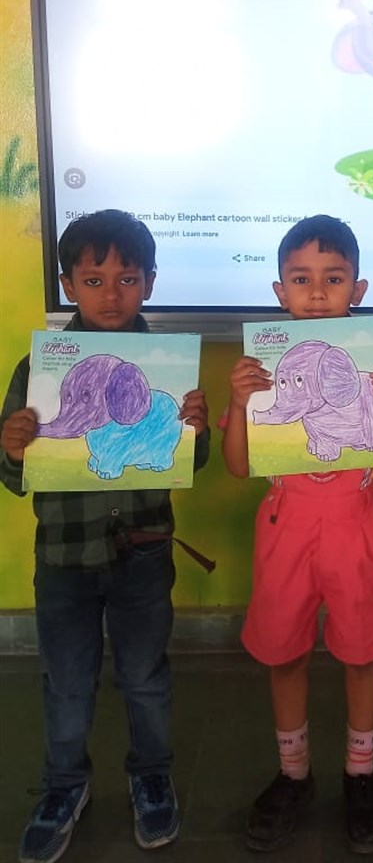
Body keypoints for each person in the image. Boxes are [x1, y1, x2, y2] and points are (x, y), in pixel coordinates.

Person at [0, 210, 211, 863]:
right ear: (68, 284)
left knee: (144, 675)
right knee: (66, 681)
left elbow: (189, 463)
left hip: (144, 554)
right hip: (64, 558)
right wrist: (13, 448)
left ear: (150, 282)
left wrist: (197, 433)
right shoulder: (39, 368)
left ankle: (151, 775)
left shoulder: (170, 368)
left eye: (127, 279)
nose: (111, 295)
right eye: (93, 280)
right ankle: (65, 785)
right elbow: (13, 475)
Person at [222, 214, 373, 855]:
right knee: (284, 652)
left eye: (333, 279)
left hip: (356, 524)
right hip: (284, 525)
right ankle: (294, 773)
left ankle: (360, 774)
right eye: (301, 279)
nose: (316, 293)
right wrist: (238, 403)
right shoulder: (261, 370)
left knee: (362, 652)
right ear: (279, 291)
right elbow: (238, 465)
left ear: (357, 290)